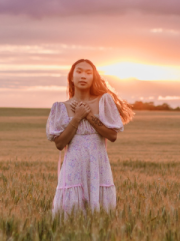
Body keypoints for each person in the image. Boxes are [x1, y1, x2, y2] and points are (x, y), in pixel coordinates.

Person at [45, 59, 135, 215]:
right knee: (70, 213)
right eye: (79, 72)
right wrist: (77, 117)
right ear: (71, 77)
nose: (83, 76)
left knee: (99, 214)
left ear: (93, 77)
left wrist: (88, 115)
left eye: (88, 73)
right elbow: (59, 144)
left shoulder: (104, 101)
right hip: (73, 167)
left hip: (98, 165)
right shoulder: (60, 107)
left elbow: (112, 136)